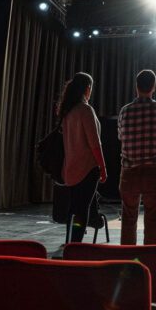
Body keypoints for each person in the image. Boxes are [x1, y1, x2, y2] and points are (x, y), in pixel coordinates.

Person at [118, 69, 156, 245]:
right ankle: (151, 262)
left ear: (136, 87)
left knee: (128, 220)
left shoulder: (125, 111)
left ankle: (128, 264)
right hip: (154, 172)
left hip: (129, 172)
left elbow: (121, 137)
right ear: (153, 86)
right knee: (152, 221)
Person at [57, 72, 107, 243]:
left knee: (73, 208)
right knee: (82, 210)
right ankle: (76, 244)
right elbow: (95, 143)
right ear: (87, 89)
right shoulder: (86, 110)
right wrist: (103, 167)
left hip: (70, 168)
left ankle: (70, 241)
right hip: (86, 168)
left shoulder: (67, 112)